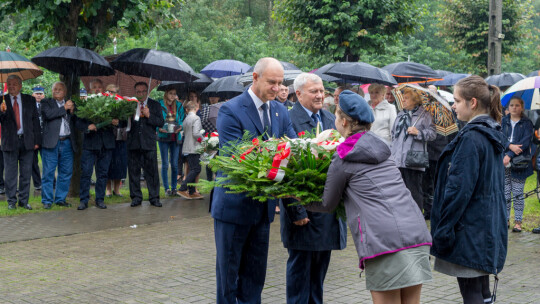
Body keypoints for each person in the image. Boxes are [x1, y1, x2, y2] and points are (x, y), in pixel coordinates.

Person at [307, 90, 432, 304]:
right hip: (415, 232)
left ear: (344, 122)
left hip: (384, 241)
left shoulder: (343, 157)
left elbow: (328, 204)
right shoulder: (383, 147)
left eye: (336, 116)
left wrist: (295, 197)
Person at [211, 57, 296, 304]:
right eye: (272, 82)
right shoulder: (230, 109)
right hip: (233, 208)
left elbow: (294, 148)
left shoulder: (280, 110)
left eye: (281, 83)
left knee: (254, 279)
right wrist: (277, 155)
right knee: (228, 280)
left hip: (262, 210)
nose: (278, 88)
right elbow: (236, 156)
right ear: (255, 78)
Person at [431, 75, 507, 304]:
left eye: (456, 101)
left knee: (473, 293)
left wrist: (443, 230)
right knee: (482, 293)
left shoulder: (472, 138)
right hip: (483, 227)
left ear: (472, 102)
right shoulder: (489, 132)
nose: (453, 106)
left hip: (469, 230)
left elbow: (458, 191)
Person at [282, 73, 346, 304]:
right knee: (300, 275)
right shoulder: (287, 120)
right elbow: (284, 171)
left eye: (321, 91)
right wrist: (296, 211)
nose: (320, 95)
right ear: (298, 94)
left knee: (318, 276)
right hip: (303, 214)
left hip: (327, 211)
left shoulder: (331, 119)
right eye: (314, 91)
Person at [0, 75, 41, 210]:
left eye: (14, 84)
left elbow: (35, 121)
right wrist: (2, 112)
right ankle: (11, 201)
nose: (11, 86)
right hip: (10, 142)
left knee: (26, 172)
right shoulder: (2, 100)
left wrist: (37, 141)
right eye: (9, 84)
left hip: (27, 141)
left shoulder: (29, 100)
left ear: (20, 85)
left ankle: (24, 201)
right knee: (11, 174)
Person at [391, 88, 436, 210]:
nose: (403, 101)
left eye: (406, 98)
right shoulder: (401, 114)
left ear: (415, 101)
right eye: (403, 98)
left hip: (413, 160)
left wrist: (418, 132)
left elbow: (432, 134)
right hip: (397, 159)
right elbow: (393, 134)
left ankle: (416, 217)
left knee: (414, 191)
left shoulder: (425, 114)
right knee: (398, 191)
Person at [76, 96, 119, 210]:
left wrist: (117, 122)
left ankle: (100, 199)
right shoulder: (85, 104)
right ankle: (84, 200)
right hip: (90, 145)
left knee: (103, 174)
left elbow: (122, 121)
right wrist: (87, 126)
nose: (97, 89)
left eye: (99, 87)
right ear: (90, 90)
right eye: (94, 87)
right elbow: (77, 122)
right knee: (86, 173)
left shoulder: (111, 104)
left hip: (106, 144)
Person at [126, 82, 164, 207]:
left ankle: (154, 197)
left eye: (143, 91)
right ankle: (136, 197)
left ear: (147, 92)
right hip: (133, 143)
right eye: (138, 92)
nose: (141, 94)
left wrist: (149, 115)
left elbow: (160, 122)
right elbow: (122, 123)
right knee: (134, 172)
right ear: (135, 92)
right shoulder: (130, 105)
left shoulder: (155, 104)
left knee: (152, 172)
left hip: (149, 143)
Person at [40, 82, 77, 209]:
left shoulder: (71, 103)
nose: (56, 91)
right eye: (55, 89)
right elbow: (48, 115)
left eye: (60, 89)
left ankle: (60, 199)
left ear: (65, 92)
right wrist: (64, 109)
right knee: (48, 172)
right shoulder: (46, 102)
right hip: (51, 143)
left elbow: (77, 122)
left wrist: (72, 111)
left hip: (67, 142)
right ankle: (47, 200)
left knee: (66, 172)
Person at [501, 96, 534, 233]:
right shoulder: (503, 121)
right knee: (505, 192)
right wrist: (509, 146)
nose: (514, 108)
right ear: (508, 108)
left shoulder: (527, 123)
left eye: (517, 105)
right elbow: (500, 137)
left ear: (522, 107)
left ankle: (518, 221)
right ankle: (506, 219)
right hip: (503, 162)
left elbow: (525, 142)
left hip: (520, 162)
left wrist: (510, 154)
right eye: (512, 105)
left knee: (518, 192)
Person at [157, 88, 184, 196]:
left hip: (175, 137)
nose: (172, 96)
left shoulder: (179, 105)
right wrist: (158, 128)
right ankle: (166, 189)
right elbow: (156, 119)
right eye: (170, 94)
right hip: (163, 136)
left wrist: (180, 126)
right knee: (165, 164)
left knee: (174, 164)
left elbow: (182, 119)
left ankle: (174, 188)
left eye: (174, 94)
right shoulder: (159, 104)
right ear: (166, 94)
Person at [177, 101, 203, 200]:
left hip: (187, 147)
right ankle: (183, 188)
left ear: (186, 110)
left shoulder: (186, 119)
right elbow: (196, 133)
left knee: (193, 168)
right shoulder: (196, 118)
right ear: (196, 108)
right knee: (196, 169)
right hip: (194, 147)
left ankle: (192, 191)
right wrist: (203, 139)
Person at [105, 84, 128, 198]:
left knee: (120, 163)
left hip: (120, 138)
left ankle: (117, 189)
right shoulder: (103, 103)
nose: (111, 94)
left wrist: (118, 121)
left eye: (113, 92)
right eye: (109, 91)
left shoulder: (122, 104)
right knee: (108, 163)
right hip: (107, 138)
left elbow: (126, 121)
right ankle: (108, 188)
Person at [31, 85, 45, 191]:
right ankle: (37, 183)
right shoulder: (29, 106)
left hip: (45, 138)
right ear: (33, 94)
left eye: (40, 93)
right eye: (37, 93)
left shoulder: (47, 105)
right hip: (34, 138)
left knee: (47, 161)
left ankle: (51, 181)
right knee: (33, 162)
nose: (39, 95)